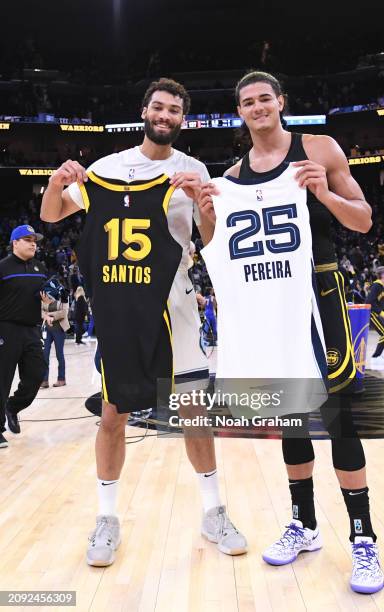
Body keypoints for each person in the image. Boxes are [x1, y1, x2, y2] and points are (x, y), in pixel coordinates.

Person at [41, 78, 246, 567]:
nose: (165, 115)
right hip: (120, 310)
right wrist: (54, 182)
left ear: (182, 119)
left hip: (175, 303)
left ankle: (213, 510)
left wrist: (203, 202)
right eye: (159, 106)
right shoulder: (105, 170)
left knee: (195, 410)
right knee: (114, 415)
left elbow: (211, 240)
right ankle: (107, 518)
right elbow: (53, 215)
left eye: (174, 110)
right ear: (145, 110)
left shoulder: (193, 169)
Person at [198, 71, 384, 594]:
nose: (257, 108)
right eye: (247, 102)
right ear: (240, 112)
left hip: (321, 297)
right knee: (291, 416)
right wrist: (208, 218)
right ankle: (304, 524)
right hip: (270, 302)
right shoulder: (232, 175)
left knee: (340, 418)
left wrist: (324, 193)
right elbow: (218, 247)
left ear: (281, 102)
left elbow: (365, 220)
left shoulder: (319, 148)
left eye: (265, 99)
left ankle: (363, 537)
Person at [0, 225, 47, 447]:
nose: (33, 243)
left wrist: (50, 300)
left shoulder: (40, 267)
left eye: (34, 240)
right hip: (6, 329)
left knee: (37, 374)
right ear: (14, 243)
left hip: (32, 329)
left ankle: (13, 407)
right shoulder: (3, 267)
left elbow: (47, 297)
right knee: (2, 380)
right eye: (27, 239)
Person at [40, 277, 70, 388]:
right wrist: (46, 316)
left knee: (59, 355)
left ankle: (61, 379)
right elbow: (40, 310)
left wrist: (52, 316)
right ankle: (44, 380)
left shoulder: (63, 296)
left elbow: (64, 312)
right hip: (46, 329)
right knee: (44, 355)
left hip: (59, 329)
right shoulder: (44, 295)